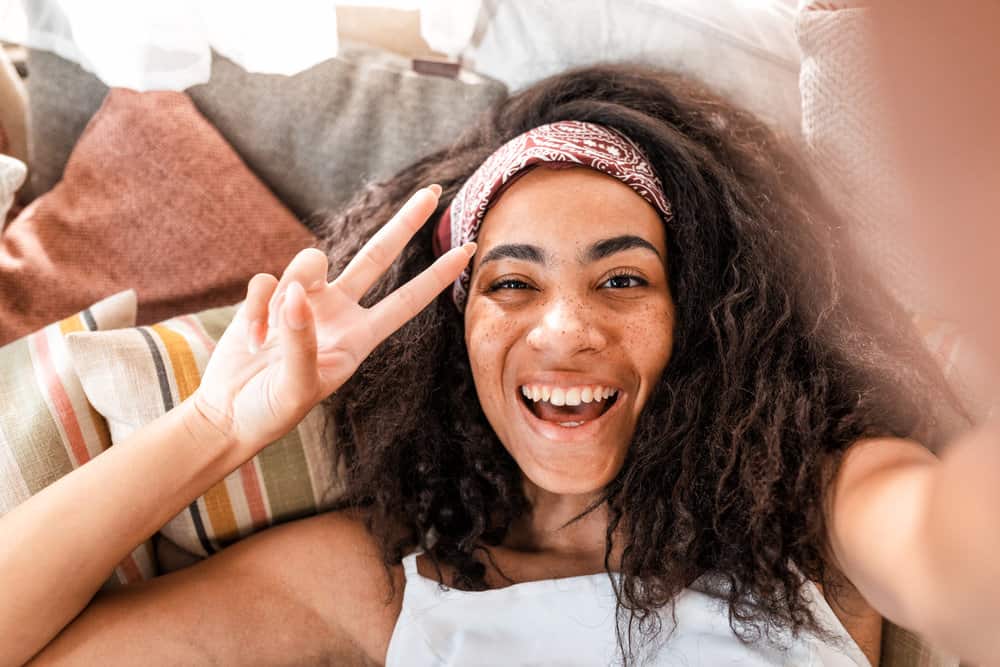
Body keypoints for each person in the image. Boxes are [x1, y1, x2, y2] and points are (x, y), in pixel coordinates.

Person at [1, 65, 996, 666]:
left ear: (698, 324)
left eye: (621, 281)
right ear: (451, 333)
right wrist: (214, 428)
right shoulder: (380, 586)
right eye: (510, 285)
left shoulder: (812, 515)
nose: (565, 328)